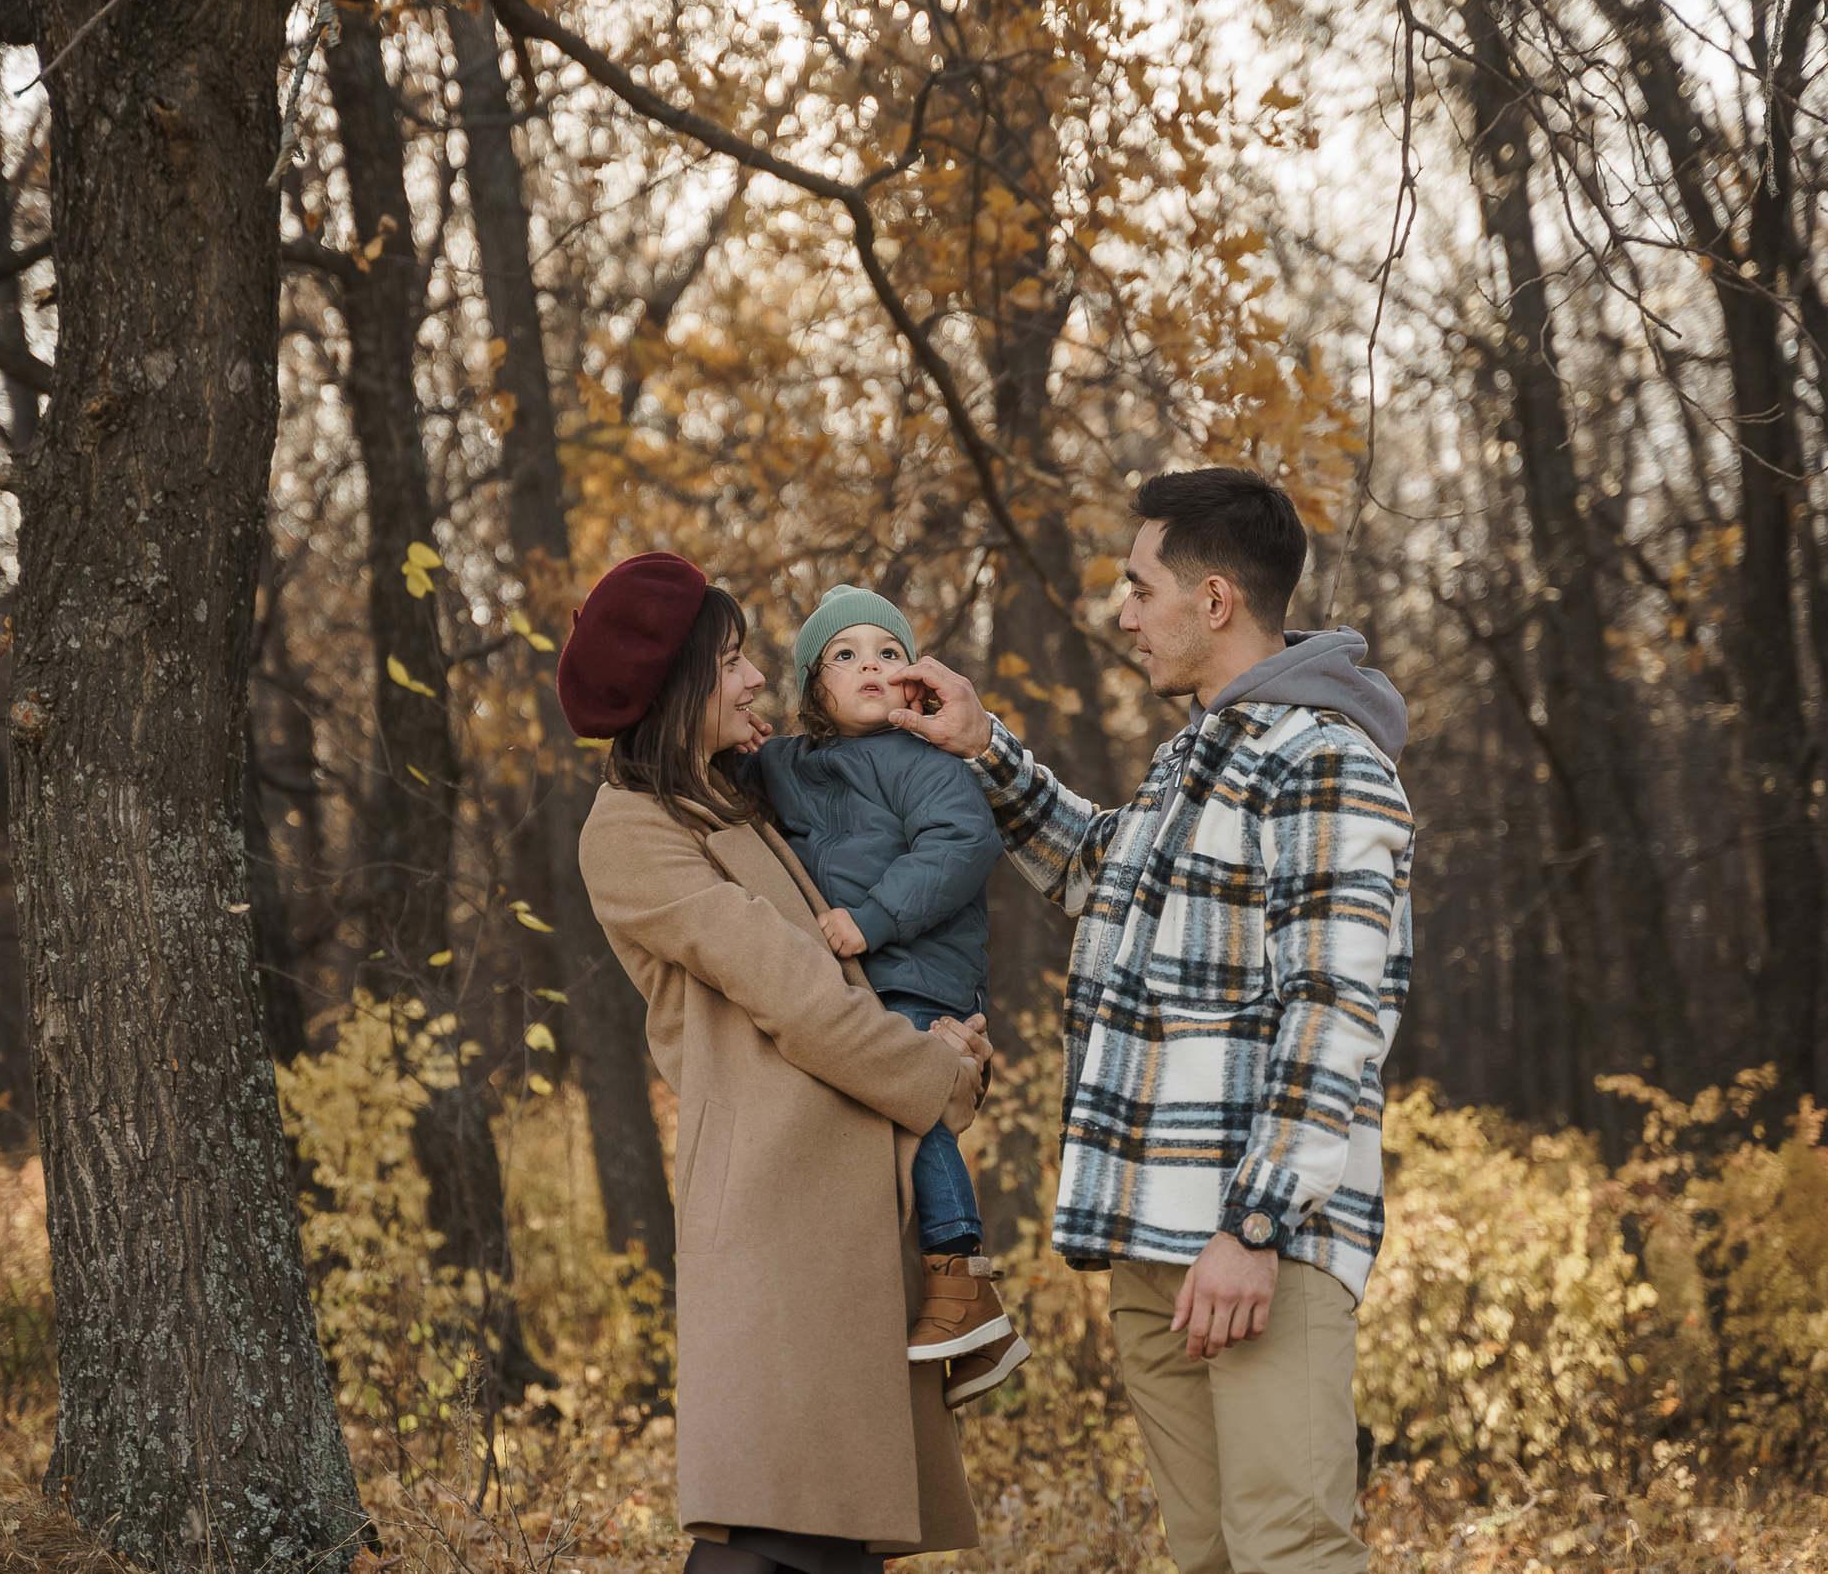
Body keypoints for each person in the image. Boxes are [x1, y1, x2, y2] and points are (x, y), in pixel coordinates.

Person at [886, 468, 1414, 1574]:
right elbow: (1092, 868)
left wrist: (1254, 1230)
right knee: (1211, 1557)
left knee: (1293, 1555)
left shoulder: (1324, 764)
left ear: (1213, 600)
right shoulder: (1193, 763)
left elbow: (1334, 1017)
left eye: (1138, 588)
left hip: (1255, 1252)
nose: (1121, 613)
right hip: (1152, 1244)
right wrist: (984, 747)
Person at [560, 551, 994, 1574]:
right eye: (733, 660)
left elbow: (899, 880)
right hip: (773, 1214)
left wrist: (943, 1021)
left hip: (848, 1194)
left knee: (829, 1532)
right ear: (676, 688)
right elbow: (797, 996)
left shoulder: (738, 800)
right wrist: (939, 1077)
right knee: (773, 1529)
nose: (758, 678)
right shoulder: (630, 831)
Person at [734, 585, 1028, 1408]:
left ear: (914, 682)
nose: (871, 664)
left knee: (911, 1097)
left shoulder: (924, 762)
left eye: (889, 653)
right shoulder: (785, 764)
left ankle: (961, 1273)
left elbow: (963, 841)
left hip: (918, 967)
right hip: (859, 977)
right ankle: (971, 1334)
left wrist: (874, 917)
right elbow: (727, 782)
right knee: (867, 1123)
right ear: (813, 686)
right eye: (846, 653)